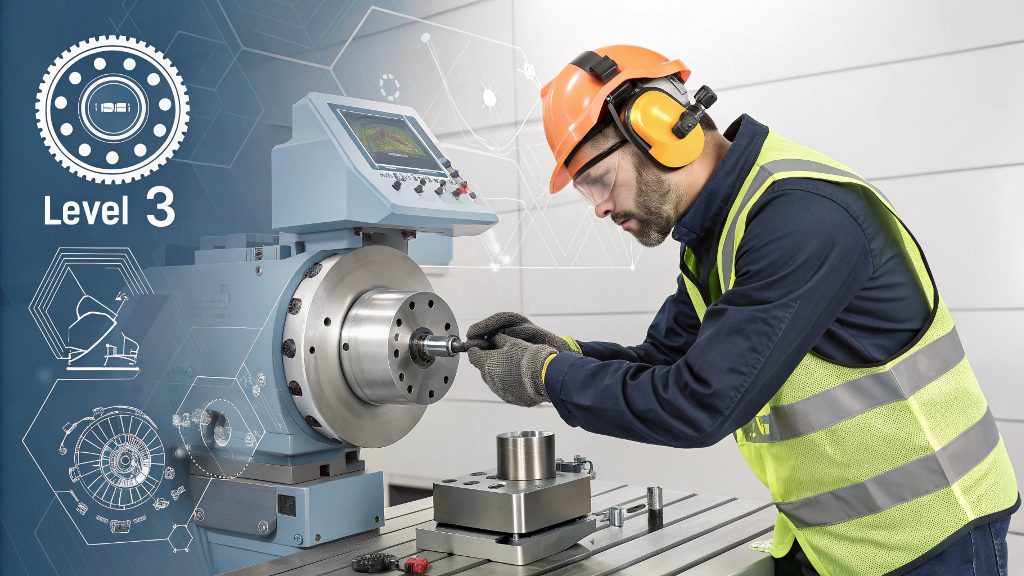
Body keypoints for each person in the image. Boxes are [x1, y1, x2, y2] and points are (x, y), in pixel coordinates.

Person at [466, 45, 1019, 576]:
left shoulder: (800, 220)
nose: (601, 207)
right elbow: (664, 360)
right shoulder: (719, 229)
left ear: (657, 125)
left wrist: (547, 377)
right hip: (834, 540)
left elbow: (700, 403)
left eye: (598, 180)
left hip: (932, 539)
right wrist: (561, 355)